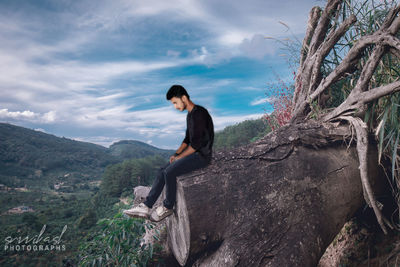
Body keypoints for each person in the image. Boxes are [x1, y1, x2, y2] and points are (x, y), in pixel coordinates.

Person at [123, 85, 214, 222]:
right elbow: (187, 139)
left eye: (175, 102)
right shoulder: (190, 114)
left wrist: (180, 157)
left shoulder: (199, 113)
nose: (175, 106)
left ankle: (168, 207)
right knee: (162, 170)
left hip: (201, 156)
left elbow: (195, 145)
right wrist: (176, 154)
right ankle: (146, 206)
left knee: (169, 172)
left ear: (184, 98)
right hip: (193, 154)